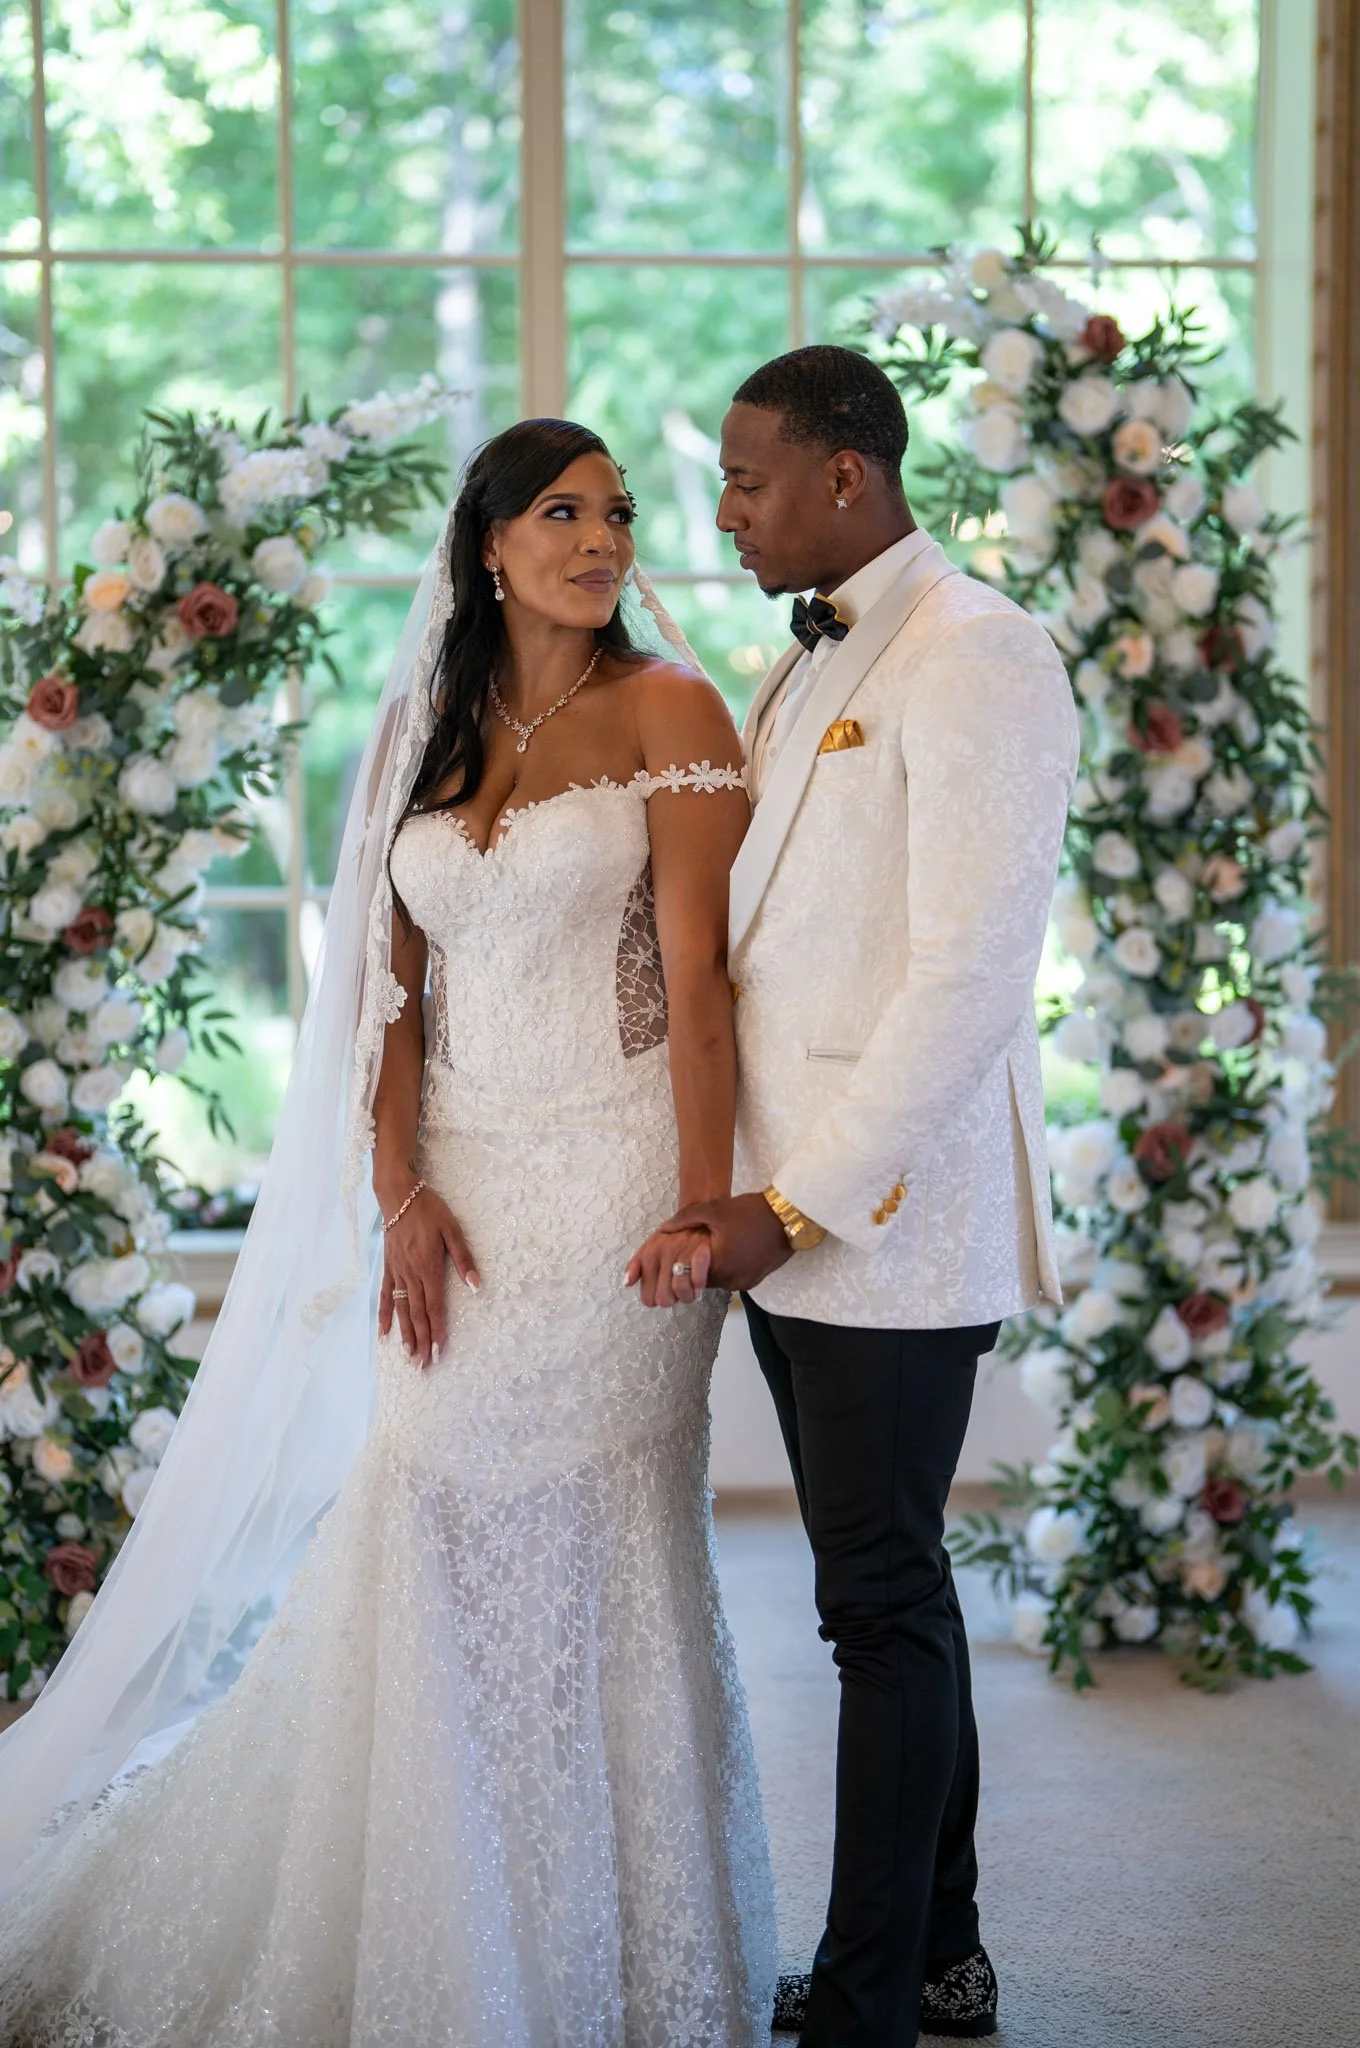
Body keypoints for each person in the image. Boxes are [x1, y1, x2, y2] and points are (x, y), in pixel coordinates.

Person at [0, 419, 778, 2046]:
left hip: (624, 1177)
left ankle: (598, 1943)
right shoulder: (427, 725)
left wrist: (705, 1207)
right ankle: (440, 1906)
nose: (600, 537)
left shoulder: (673, 711)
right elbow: (388, 995)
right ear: (489, 543)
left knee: (603, 1536)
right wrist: (398, 1194)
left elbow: (700, 988)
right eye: (562, 511)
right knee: (423, 1503)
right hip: (462, 1182)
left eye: (619, 513)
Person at [630, 347, 1079, 2046]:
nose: (724, 507)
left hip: (885, 1226)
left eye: (748, 477)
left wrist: (792, 1204)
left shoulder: (982, 654)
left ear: (846, 475)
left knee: (876, 1605)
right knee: (887, 1589)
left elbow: (970, 983)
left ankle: (873, 1998)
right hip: (794, 1217)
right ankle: (946, 1956)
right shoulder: (805, 654)